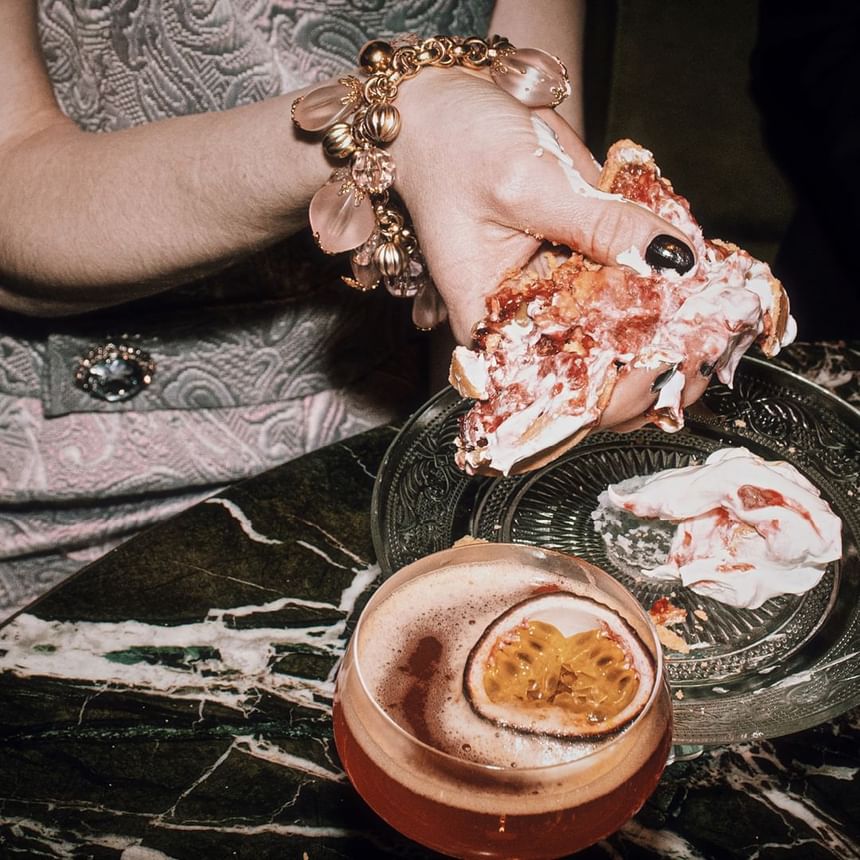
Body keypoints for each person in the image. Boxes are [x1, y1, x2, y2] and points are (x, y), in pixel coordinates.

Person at [0, 0, 695, 618]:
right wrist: (387, 124)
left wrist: (544, 364)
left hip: (388, 436)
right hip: (83, 488)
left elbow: (524, 181)